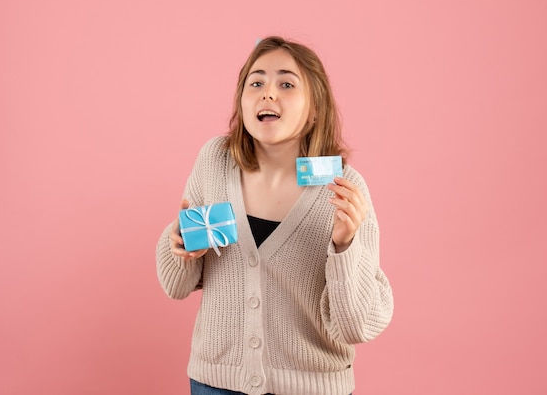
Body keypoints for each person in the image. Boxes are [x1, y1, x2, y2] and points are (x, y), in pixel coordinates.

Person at [156, 36, 393, 395]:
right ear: (242, 99)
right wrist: (180, 247)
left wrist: (345, 246)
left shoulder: (345, 189)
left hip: (311, 387)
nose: (268, 93)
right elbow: (176, 285)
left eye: (286, 83)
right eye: (256, 82)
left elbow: (356, 327)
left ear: (315, 109)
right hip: (216, 382)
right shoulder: (215, 161)